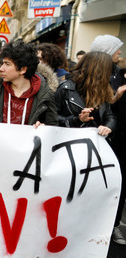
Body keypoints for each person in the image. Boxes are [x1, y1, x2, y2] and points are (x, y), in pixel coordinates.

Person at [90, 34, 126, 245]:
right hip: (97, 138)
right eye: (116, 49)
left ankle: (112, 226)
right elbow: (105, 106)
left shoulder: (119, 74)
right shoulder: (97, 76)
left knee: (117, 183)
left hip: (116, 136)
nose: (120, 53)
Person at [0, 40, 58, 126]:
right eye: (3, 63)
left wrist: (44, 128)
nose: (1, 68)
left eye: (7, 64)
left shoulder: (45, 94)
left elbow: (53, 126)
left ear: (23, 69)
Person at [55, 52, 116, 134]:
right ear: (98, 70)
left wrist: (107, 127)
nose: (110, 74)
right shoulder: (65, 88)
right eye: (108, 70)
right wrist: (77, 120)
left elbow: (109, 115)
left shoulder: (102, 89)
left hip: (93, 143)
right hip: (68, 141)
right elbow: (51, 118)